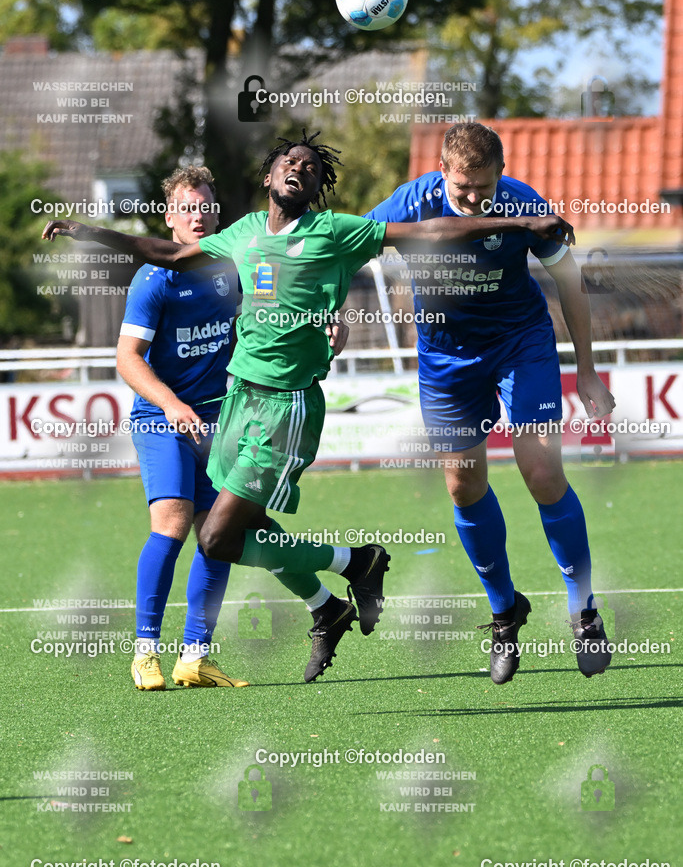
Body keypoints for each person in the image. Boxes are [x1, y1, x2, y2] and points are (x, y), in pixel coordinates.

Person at [43, 130, 574, 684]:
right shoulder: (243, 235)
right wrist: (88, 232)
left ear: (318, 187)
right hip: (238, 403)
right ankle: (346, 576)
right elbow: (168, 252)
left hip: (284, 408)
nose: (299, 166)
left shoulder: (335, 232)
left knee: (216, 536)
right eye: (289, 160)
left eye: (312, 166)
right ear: (269, 176)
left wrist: (522, 223)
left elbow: (430, 230)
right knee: (232, 532)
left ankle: (342, 573)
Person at [364, 122, 614, 684]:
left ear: (501, 171)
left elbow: (569, 279)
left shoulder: (525, 203)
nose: (476, 199)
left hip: (519, 343)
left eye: (485, 187)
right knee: (462, 484)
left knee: (543, 471)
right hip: (446, 357)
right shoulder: (410, 201)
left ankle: (584, 611)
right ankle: (505, 612)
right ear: (442, 171)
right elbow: (346, 247)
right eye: (463, 190)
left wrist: (588, 370)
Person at [118, 165, 245, 690]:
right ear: (170, 218)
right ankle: (145, 650)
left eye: (205, 207)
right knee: (171, 523)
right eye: (187, 208)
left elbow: (284, 308)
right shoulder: (155, 277)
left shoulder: (235, 265)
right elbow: (127, 359)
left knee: (217, 536)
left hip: (221, 420)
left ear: (216, 213)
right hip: (162, 418)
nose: (197, 215)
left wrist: (328, 321)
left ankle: (195, 656)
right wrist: (170, 404)